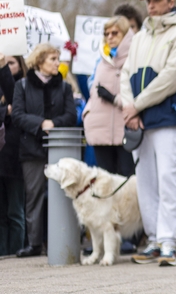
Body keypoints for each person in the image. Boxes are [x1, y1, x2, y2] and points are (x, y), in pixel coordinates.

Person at [120, 0, 176, 267]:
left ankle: (168, 241)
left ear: (170, 1)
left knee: (167, 177)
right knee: (146, 181)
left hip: (168, 112)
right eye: (147, 0)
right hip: (140, 116)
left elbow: (172, 77)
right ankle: (154, 238)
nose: (150, 5)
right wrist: (130, 108)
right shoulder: (141, 34)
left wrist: (135, 105)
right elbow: (126, 72)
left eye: (155, 0)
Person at [13, 44, 77, 257]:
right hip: (32, 149)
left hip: (60, 148)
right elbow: (18, 115)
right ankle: (34, 244)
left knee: (62, 194)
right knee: (34, 196)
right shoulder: (22, 86)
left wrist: (53, 124)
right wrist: (41, 124)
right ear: (39, 61)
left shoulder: (65, 87)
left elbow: (70, 115)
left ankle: (62, 239)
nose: (57, 63)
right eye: (52, 59)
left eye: (58, 58)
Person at [83, 16, 135, 178]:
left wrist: (114, 98)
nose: (110, 37)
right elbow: (92, 91)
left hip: (125, 130)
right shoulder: (101, 60)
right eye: (106, 34)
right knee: (105, 182)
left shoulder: (135, 59)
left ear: (126, 35)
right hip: (100, 130)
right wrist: (88, 113)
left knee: (127, 182)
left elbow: (138, 96)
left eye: (115, 33)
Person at [0, 54, 27, 256]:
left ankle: (15, 251)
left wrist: (3, 69)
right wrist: (3, 112)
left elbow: (15, 104)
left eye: (11, 63)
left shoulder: (24, 86)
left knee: (15, 211)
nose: (7, 67)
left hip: (15, 158)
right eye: (5, 63)